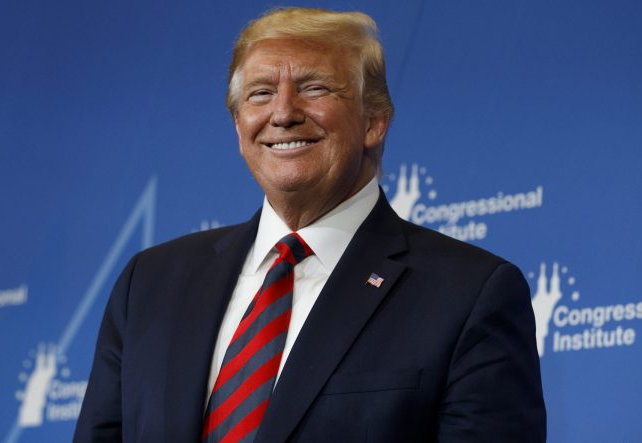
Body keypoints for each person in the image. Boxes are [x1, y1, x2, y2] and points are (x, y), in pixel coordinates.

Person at [74, 7, 546, 443]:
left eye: (315, 88)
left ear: (374, 121)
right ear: (239, 127)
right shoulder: (151, 284)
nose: (283, 113)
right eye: (261, 93)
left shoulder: (467, 295)